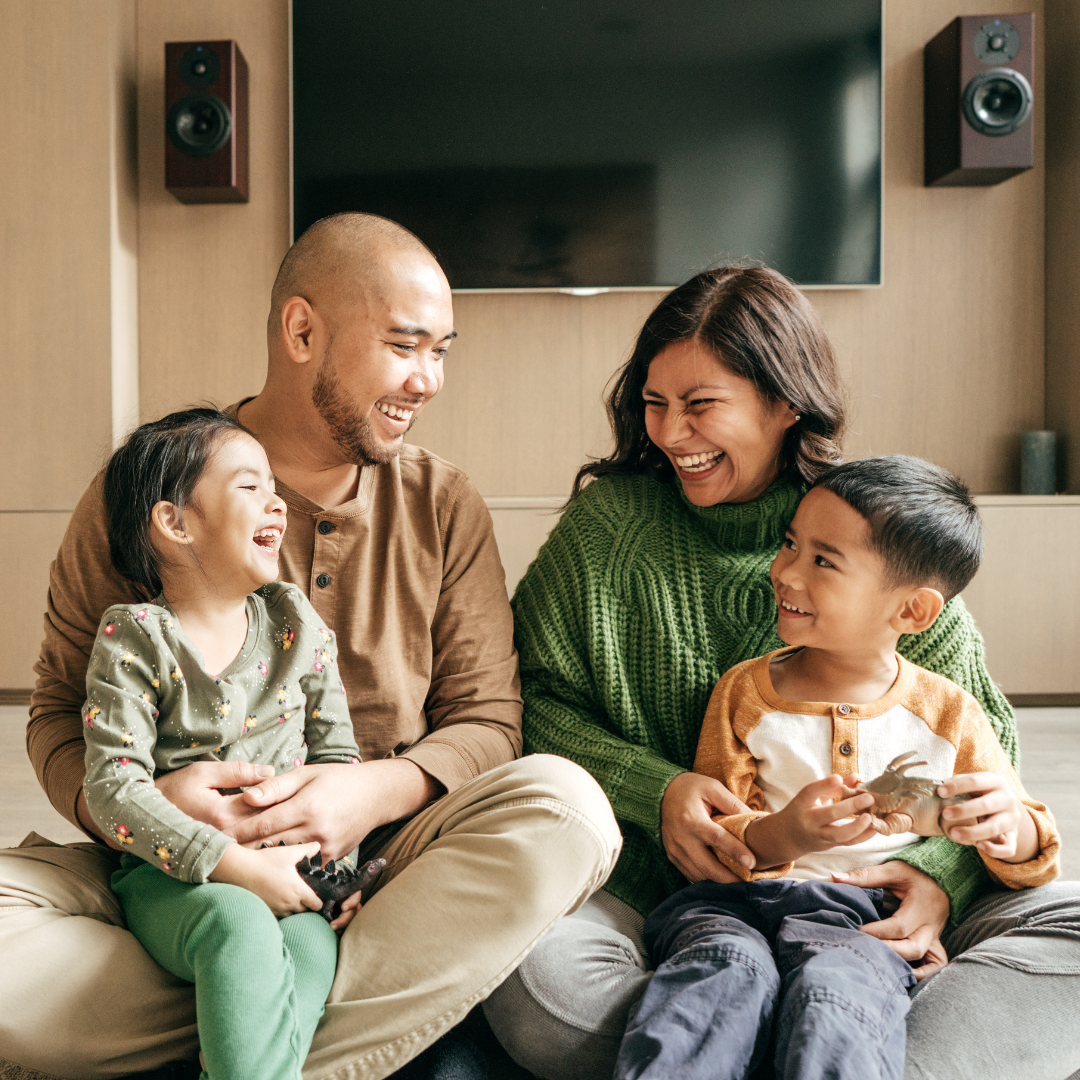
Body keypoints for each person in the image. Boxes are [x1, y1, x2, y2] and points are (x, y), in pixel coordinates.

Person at [0, 213, 622, 1080]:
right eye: (407, 345)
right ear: (302, 331)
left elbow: (487, 725)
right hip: (166, 866)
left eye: (443, 350)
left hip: (380, 869)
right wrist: (161, 808)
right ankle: (283, 1021)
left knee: (568, 809)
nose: (430, 378)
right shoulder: (151, 487)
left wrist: (365, 795)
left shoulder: (445, 504)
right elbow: (62, 718)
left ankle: (239, 1031)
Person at [482, 265, 1080, 1080]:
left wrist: (930, 875)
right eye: (654, 404)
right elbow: (526, 703)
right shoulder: (608, 528)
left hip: (858, 911)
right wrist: (654, 790)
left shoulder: (868, 524)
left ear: (784, 402)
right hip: (668, 896)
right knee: (528, 967)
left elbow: (981, 746)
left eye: (700, 405)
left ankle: (766, 1039)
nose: (669, 433)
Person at [614, 456, 1059, 1080]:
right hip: (732, 907)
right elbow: (723, 835)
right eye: (790, 544)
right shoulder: (744, 692)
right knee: (712, 979)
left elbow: (1032, 850)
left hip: (864, 921)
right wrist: (788, 833)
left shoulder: (949, 712)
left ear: (911, 612)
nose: (785, 572)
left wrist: (1011, 825)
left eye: (823, 561)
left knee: (838, 996)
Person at [83, 409, 366, 1080]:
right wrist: (233, 867)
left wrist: (337, 866)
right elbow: (111, 788)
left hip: (292, 870)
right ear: (175, 523)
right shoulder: (136, 638)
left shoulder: (299, 627)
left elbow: (338, 764)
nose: (276, 501)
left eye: (274, 486)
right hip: (173, 878)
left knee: (309, 950)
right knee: (237, 928)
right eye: (248, 486)